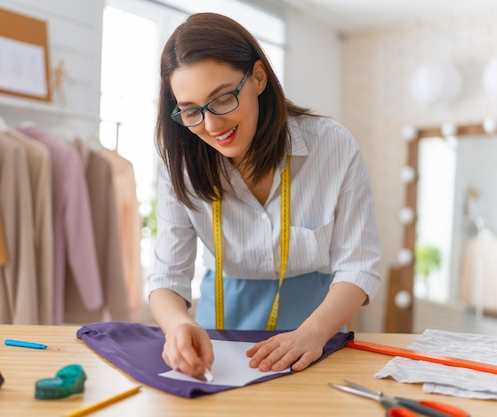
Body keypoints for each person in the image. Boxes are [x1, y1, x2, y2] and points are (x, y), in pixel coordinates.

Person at [148, 12, 381, 382]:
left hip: (316, 326)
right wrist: (177, 324)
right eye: (191, 111)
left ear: (258, 77)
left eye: (222, 99)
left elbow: (360, 264)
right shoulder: (180, 163)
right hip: (219, 330)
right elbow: (167, 274)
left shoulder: (331, 146)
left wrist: (314, 332)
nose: (210, 126)